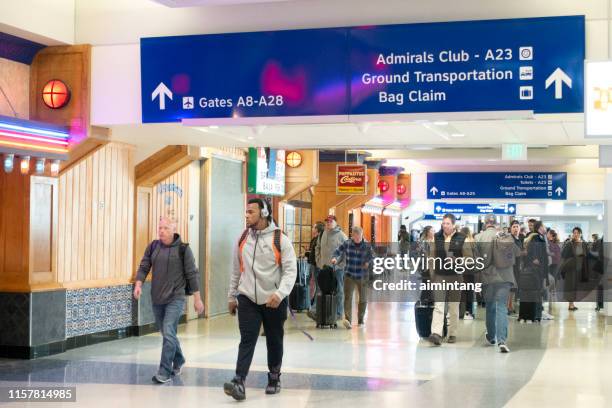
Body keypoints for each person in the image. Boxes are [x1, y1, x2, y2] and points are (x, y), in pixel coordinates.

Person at [224, 198, 297, 401]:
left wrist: (280, 294)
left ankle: (274, 377)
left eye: (251, 212)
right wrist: (232, 296)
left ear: (264, 213)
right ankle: (239, 381)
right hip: (247, 298)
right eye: (246, 212)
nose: (246, 215)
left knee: (274, 339)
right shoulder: (243, 238)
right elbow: (236, 271)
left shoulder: (279, 239)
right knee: (247, 339)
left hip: (273, 299)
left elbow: (291, 271)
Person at [134, 216, 204, 384]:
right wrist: (138, 285)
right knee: (167, 333)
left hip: (176, 297)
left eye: (165, 228)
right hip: (157, 297)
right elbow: (144, 266)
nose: (161, 231)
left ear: (173, 230)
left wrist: (197, 299)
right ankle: (179, 360)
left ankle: (164, 371)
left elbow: (192, 274)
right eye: (160, 228)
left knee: (168, 329)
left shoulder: (183, 249)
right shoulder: (153, 247)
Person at [475, 215, 519, 353]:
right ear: (496, 223)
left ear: (485, 223)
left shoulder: (479, 238)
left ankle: (491, 336)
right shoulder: (504, 235)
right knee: (501, 307)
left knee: (490, 307)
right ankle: (502, 341)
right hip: (505, 276)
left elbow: (476, 261)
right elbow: (517, 253)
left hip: (487, 277)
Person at [427, 214, 472, 346]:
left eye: (447, 223)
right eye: (443, 223)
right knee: (439, 305)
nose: (445, 225)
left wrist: (457, 260)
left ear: (453, 225)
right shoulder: (437, 237)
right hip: (440, 276)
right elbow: (431, 257)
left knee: (453, 306)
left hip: (456, 276)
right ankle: (436, 333)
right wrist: (432, 275)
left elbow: (469, 259)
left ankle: (452, 333)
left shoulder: (462, 238)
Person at [331, 226, 374, 328]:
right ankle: (348, 320)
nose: (358, 239)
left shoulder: (367, 245)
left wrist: (368, 262)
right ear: (353, 236)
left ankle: (360, 320)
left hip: (362, 275)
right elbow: (337, 251)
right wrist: (334, 258)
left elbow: (372, 255)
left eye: (360, 236)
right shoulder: (347, 243)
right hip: (349, 274)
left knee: (363, 299)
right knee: (348, 298)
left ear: (362, 235)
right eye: (356, 237)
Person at [315, 215, 349, 328]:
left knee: (338, 290)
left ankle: (338, 313)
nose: (328, 223)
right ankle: (321, 313)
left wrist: (342, 265)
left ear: (335, 223)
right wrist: (318, 260)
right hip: (323, 268)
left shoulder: (342, 236)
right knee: (321, 289)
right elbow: (317, 247)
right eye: (327, 222)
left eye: (331, 221)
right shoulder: (323, 234)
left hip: (337, 269)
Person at [523, 221, 549, 321]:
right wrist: (535, 259)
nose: (545, 228)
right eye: (544, 226)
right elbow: (532, 253)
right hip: (536, 270)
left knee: (539, 292)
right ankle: (535, 314)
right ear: (540, 227)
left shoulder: (541, 237)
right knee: (537, 292)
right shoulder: (536, 238)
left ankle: (538, 313)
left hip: (540, 270)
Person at [560, 227, 589, 312]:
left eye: (577, 233)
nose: (575, 234)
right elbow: (563, 254)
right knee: (570, 286)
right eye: (574, 233)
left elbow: (587, 255)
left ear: (580, 234)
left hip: (580, 269)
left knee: (575, 286)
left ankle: (572, 303)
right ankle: (570, 305)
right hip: (571, 268)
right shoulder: (569, 244)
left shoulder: (583, 244)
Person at [306, 222, 325, 320]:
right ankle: (312, 307)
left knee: (319, 288)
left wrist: (318, 263)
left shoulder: (321, 239)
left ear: (317, 229)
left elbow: (320, 253)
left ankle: (315, 310)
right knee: (314, 287)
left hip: (318, 267)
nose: (312, 228)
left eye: (313, 227)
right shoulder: (314, 239)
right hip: (313, 265)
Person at [507, 220, 524, 315]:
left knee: (514, 288)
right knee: (510, 288)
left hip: (517, 267)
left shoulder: (518, 240)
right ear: (510, 228)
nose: (516, 228)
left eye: (517, 226)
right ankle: (508, 306)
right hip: (510, 267)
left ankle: (511, 305)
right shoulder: (509, 239)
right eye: (514, 227)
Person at [459, 226, 476, 321]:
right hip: (470, 269)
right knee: (469, 292)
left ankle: (462, 312)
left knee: (462, 292)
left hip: (462, 269)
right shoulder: (472, 241)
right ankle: (468, 312)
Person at [546, 229, 561, 316]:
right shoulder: (555, 244)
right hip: (554, 267)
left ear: (551, 235)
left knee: (550, 286)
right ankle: (551, 305)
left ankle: (550, 306)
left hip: (552, 267)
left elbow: (554, 256)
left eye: (548, 233)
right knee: (552, 287)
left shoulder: (551, 244)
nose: (546, 234)